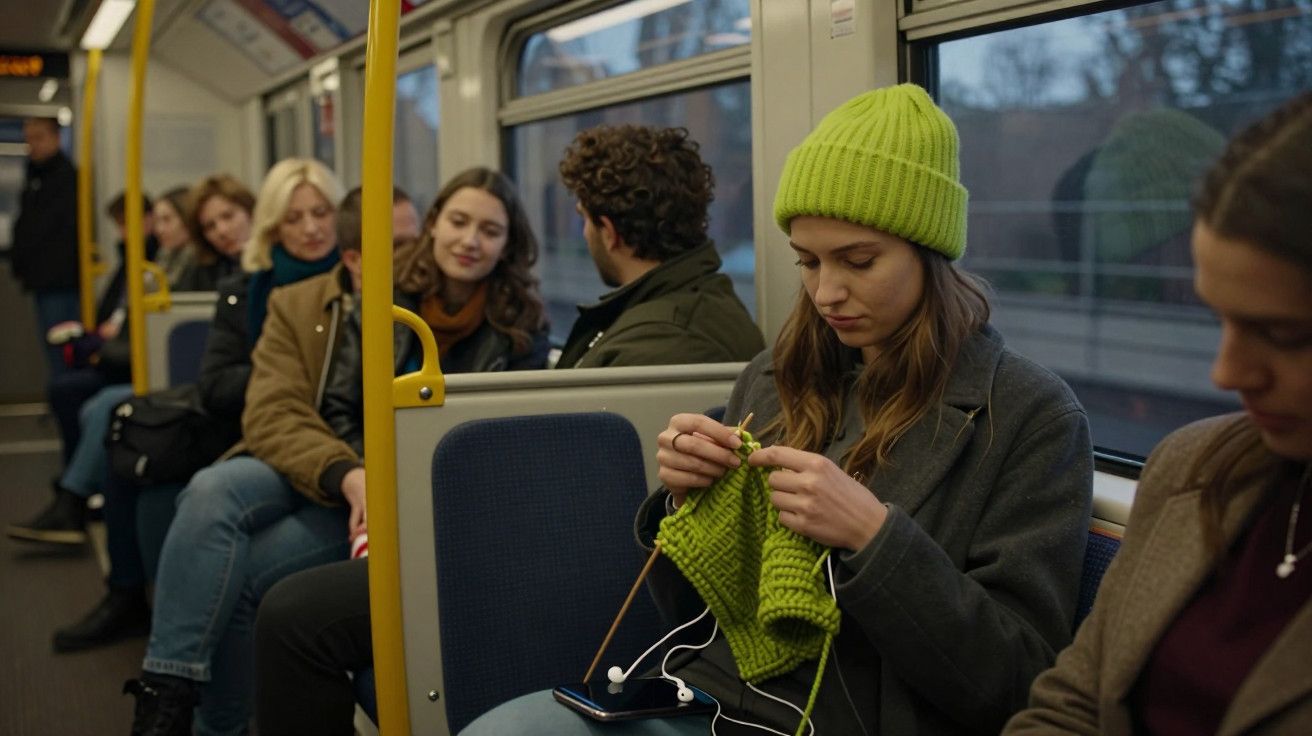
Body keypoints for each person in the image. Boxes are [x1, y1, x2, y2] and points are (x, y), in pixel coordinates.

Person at [462, 84, 1094, 735]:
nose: (827, 292)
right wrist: (686, 503)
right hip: (707, 697)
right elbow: (698, 619)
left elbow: (1016, 682)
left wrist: (874, 539)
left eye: (859, 261)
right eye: (808, 262)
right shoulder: (773, 377)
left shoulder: (1029, 418)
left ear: (930, 253)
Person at [1004, 93, 1312, 735]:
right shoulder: (1191, 467)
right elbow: (1068, 705)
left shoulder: (1027, 414)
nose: (1227, 374)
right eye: (1218, 318)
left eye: (1282, 335)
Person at [254, 169, 552, 736]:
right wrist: (371, 476)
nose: (470, 241)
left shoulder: (523, 327)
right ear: (433, 224)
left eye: (490, 230)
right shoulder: (384, 299)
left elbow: (506, 445)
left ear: (508, 244)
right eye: (459, 222)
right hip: (371, 487)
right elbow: (341, 407)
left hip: (461, 511)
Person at [121, 157, 352, 736]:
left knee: (231, 569)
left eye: (321, 213)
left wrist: (284, 382)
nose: (310, 229)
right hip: (270, 444)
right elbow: (230, 391)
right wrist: (280, 380)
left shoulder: (368, 288)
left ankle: (211, 725)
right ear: (273, 226)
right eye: (294, 217)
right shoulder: (255, 295)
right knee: (205, 490)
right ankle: (167, 693)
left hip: (336, 459)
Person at [41, 175, 257, 653]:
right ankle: (126, 593)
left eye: (230, 216)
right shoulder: (221, 274)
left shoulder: (262, 277)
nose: (223, 230)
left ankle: (81, 511)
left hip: (247, 417)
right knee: (129, 439)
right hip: (216, 400)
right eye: (213, 223)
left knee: (116, 413)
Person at [6, 193, 158, 546]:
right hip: (124, 354)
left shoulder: (158, 266)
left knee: (94, 401)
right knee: (67, 388)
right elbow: (114, 317)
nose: (123, 233)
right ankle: (77, 488)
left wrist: (101, 352)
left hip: (142, 366)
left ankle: (73, 495)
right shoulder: (132, 262)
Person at [554, 124, 763, 368]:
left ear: (609, 233)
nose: (585, 233)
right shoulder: (701, 303)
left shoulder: (660, 343)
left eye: (585, 219)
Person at [8, 117, 79, 379]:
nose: (32, 146)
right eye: (29, 139)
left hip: (60, 280)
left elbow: (44, 230)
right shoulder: (34, 176)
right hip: (42, 280)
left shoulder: (64, 179)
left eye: (38, 138)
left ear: (56, 138)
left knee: (63, 348)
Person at [152, 186, 197, 286]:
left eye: (167, 219)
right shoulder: (164, 257)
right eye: (156, 221)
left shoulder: (200, 264)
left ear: (188, 219)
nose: (159, 229)